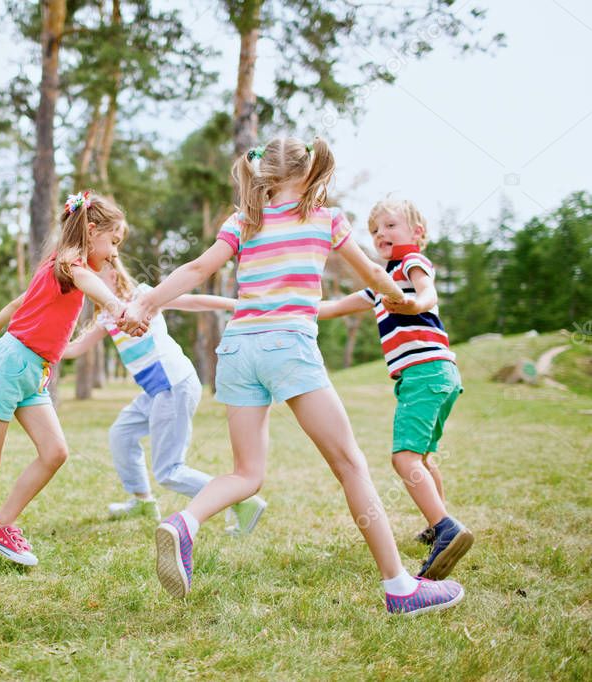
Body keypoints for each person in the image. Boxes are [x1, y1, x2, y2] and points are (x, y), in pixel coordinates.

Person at [120, 136, 464, 615]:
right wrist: (401, 299)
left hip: (237, 349)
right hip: (288, 346)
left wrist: (146, 302)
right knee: (350, 465)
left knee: (246, 473)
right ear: (305, 173)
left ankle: (185, 523)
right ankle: (401, 588)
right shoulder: (326, 219)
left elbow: (198, 267)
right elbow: (371, 273)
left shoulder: (243, 220)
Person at [0, 190, 139, 572]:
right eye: (112, 241)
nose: (115, 252)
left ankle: (0, 525)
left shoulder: (56, 269)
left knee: (55, 452)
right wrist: (117, 307)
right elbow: (86, 278)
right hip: (11, 365)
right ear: (90, 230)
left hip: (32, 372)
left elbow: (20, 302)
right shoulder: (70, 262)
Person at [318, 197, 472, 579]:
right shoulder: (382, 283)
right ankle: (439, 522)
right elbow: (336, 307)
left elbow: (429, 292)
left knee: (403, 459)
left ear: (417, 233)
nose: (380, 234)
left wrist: (413, 304)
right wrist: (292, 306)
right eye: (374, 230)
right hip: (436, 375)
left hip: (424, 372)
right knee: (422, 458)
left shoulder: (410, 264)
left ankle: (446, 529)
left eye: (390, 225)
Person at [61, 257, 267, 534]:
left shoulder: (143, 297)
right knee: (121, 434)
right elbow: (75, 348)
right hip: (155, 390)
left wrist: (234, 305)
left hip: (173, 384)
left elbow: (193, 302)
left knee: (169, 470)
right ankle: (142, 500)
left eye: (92, 276)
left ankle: (241, 499)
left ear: (112, 274)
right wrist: (36, 345)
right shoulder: (106, 316)